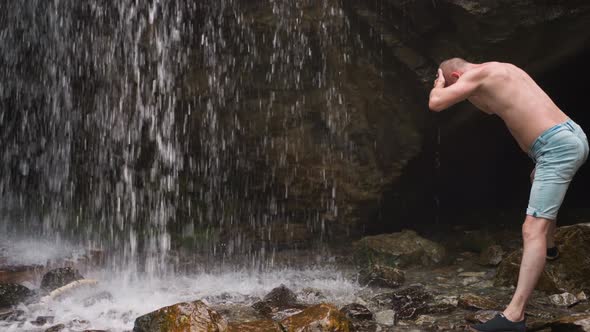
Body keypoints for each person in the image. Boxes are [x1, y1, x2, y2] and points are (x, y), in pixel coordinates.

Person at [428, 58, 589, 332]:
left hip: (556, 148)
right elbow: (489, 108)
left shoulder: (476, 76)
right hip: (570, 135)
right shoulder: (500, 70)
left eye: (455, 82)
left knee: (531, 230)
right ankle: (549, 248)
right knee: (536, 180)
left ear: (456, 75)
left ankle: (514, 317)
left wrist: (438, 85)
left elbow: (437, 103)